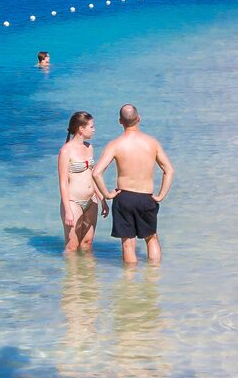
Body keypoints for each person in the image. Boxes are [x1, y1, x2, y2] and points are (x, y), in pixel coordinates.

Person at [98, 103, 176, 265]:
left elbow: (96, 172)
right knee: (151, 237)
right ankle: (153, 278)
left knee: (128, 244)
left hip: (124, 197)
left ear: (120, 121)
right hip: (146, 197)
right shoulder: (152, 143)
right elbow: (169, 170)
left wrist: (107, 194)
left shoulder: (115, 144)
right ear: (139, 119)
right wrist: (160, 195)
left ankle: (129, 285)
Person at [55, 111, 104, 255]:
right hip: (73, 202)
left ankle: (87, 277)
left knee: (87, 244)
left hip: (91, 201)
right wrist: (68, 210)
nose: (94, 129)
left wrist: (102, 199)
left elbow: (92, 176)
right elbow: (63, 183)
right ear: (81, 129)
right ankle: (70, 277)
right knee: (72, 247)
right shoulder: (66, 151)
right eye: (91, 126)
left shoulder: (89, 147)